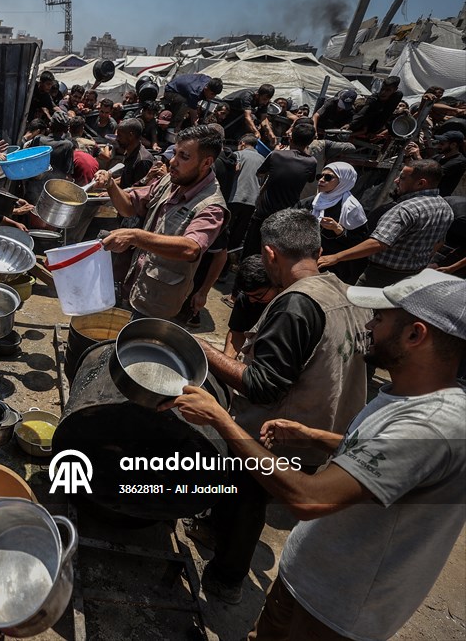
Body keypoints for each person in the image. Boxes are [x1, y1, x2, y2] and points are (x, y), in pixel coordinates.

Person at [168, 268, 465, 640]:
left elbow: (308, 499)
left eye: (380, 318)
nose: (369, 325)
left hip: (336, 609)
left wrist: (221, 420)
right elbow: (376, 457)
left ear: (415, 334)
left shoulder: (431, 425)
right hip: (307, 579)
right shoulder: (409, 396)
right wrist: (315, 435)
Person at [191, 208, 372, 604]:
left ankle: (226, 580)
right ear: (318, 248)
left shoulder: (296, 305)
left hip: (281, 432)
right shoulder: (344, 290)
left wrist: (201, 351)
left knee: (247, 500)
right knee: (240, 494)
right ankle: (212, 531)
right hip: (323, 426)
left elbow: (262, 385)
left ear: (270, 255)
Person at [100, 124, 229, 321]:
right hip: (136, 283)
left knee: (141, 346)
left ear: (206, 163)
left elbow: (191, 249)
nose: (174, 162)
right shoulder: (171, 180)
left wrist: (135, 236)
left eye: (184, 157)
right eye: (175, 153)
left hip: (159, 301)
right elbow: (129, 207)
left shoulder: (211, 206)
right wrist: (110, 184)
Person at [319, 160, 453, 287]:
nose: (396, 181)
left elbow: (378, 243)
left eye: (402, 178)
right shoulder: (445, 208)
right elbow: (439, 243)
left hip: (380, 276)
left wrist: (336, 257)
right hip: (413, 275)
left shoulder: (405, 209)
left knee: (360, 308)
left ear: (420, 183)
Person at [239, 122, 317, 261]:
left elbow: (260, 173)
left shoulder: (276, 155)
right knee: (275, 255)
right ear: (310, 142)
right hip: (286, 216)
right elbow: (310, 179)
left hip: (263, 213)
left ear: (290, 138)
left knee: (251, 252)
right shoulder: (311, 162)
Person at [295, 162, 368, 284]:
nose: (322, 180)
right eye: (320, 176)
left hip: (334, 267)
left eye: (328, 177)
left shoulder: (351, 208)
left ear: (343, 181)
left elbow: (360, 243)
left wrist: (339, 229)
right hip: (306, 258)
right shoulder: (312, 202)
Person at [222, 255, 278, 358]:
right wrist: (226, 360)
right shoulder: (246, 298)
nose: (252, 300)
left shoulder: (288, 304)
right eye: (248, 295)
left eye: (258, 295)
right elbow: (237, 333)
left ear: (276, 284)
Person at [226, 134, 266, 258]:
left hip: (235, 197)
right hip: (252, 201)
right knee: (239, 232)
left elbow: (234, 170)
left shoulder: (238, 154)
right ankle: (230, 261)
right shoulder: (263, 159)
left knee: (226, 230)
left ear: (242, 143)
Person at [350, 76, 403, 140]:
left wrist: (373, 131)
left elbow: (386, 114)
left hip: (373, 130)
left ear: (395, 90)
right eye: (382, 89)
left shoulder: (395, 98)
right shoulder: (373, 99)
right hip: (361, 126)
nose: (383, 92)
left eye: (388, 90)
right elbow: (363, 113)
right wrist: (350, 125)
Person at [431, 130, 465, 196]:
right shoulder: (439, 156)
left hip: (439, 196)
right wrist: (409, 155)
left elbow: (433, 173)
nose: (438, 146)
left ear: (453, 145)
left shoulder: (459, 161)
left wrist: (418, 156)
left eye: (442, 144)